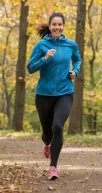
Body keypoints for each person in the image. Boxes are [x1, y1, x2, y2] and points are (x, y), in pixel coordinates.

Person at [27, 12, 82, 180]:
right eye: (54, 24)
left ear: (63, 26)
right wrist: (45, 58)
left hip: (65, 92)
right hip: (44, 94)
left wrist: (75, 71)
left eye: (60, 24)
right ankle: (46, 143)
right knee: (47, 132)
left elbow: (78, 60)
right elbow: (30, 68)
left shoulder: (71, 45)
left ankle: (53, 167)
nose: (57, 27)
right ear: (50, 26)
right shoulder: (41, 45)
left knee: (57, 126)